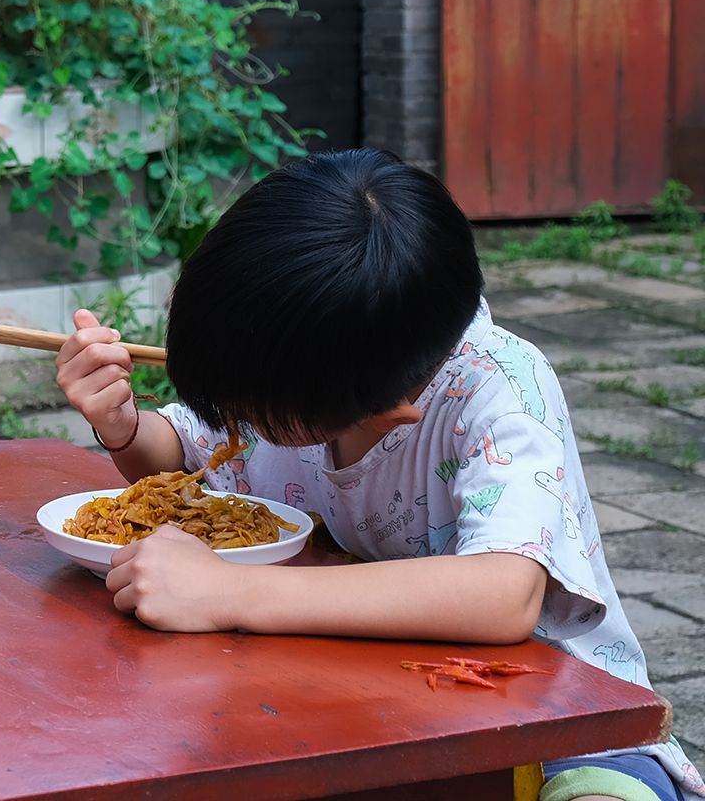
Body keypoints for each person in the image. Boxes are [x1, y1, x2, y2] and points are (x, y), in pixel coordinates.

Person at [56, 150, 703, 801]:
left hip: (555, 715)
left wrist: (228, 592)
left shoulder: (499, 394)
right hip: (353, 689)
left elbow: (504, 594)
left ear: (391, 415)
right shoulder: (319, 363)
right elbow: (186, 460)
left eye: (254, 414)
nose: (239, 424)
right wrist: (124, 426)